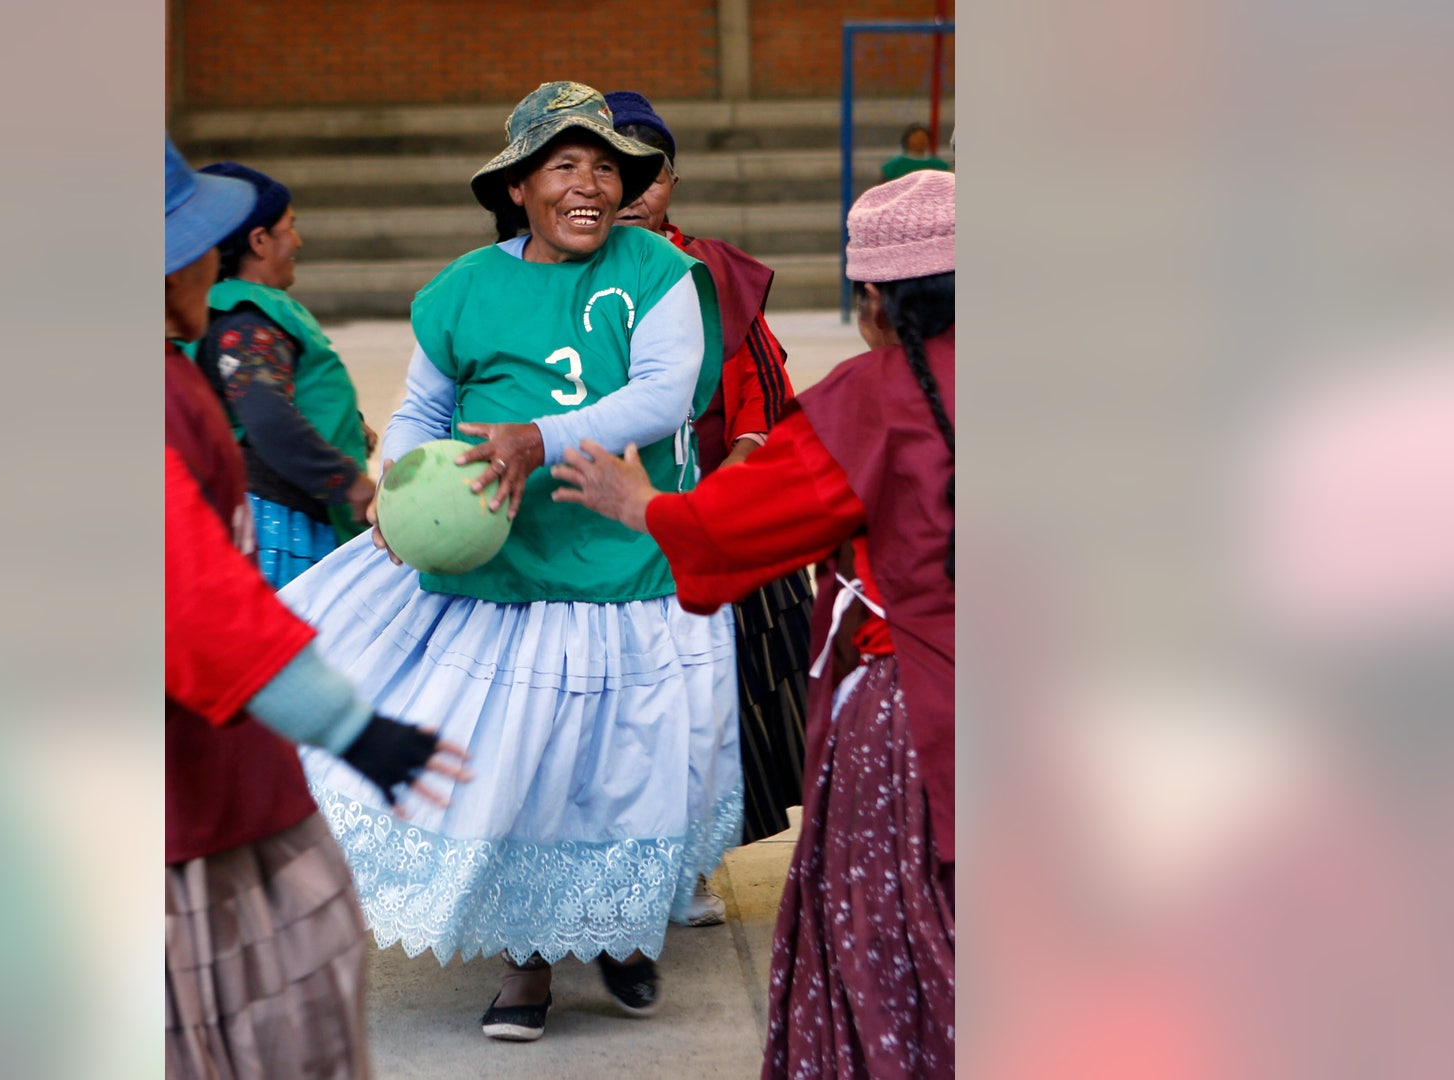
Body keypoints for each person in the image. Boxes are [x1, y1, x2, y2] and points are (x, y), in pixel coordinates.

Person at [275, 81, 740, 1043]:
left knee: (619, 766)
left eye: (607, 167)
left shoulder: (660, 274)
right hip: (501, 567)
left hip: (621, 564)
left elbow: (661, 397)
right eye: (566, 165)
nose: (592, 185)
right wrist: (403, 481)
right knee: (512, 769)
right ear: (519, 187)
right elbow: (422, 408)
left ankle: (617, 932)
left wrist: (542, 435)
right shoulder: (462, 289)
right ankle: (524, 967)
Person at [553, 169, 957, 1077]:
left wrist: (642, 505)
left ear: (874, 304)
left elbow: (739, 524)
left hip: (911, 721)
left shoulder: (871, 402)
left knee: (891, 936)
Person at [163, 138, 470, 1080]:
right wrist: (351, 727)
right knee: (274, 1005)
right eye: (193, 244)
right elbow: (190, 591)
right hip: (191, 791)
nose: (208, 263)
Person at [607, 89, 817, 916]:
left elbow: (764, 399)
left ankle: (691, 864)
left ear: (673, 179)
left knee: (707, 701)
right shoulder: (556, 274)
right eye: (612, 173)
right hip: (597, 519)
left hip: (706, 513)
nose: (631, 192)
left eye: (646, 173)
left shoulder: (714, 273)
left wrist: (719, 493)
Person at [189, 162, 378, 589]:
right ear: (258, 241)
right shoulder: (245, 323)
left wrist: (348, 425)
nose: (297, 241)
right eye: (288, 228)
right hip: (276, 532)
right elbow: (266, 414)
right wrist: (352, 486)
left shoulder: (224, 314)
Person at [880, 122, 951, 183]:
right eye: (916, 137)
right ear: (907, 140)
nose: (921, 140)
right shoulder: (894, 166)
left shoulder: (939, 165)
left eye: (924, 137)